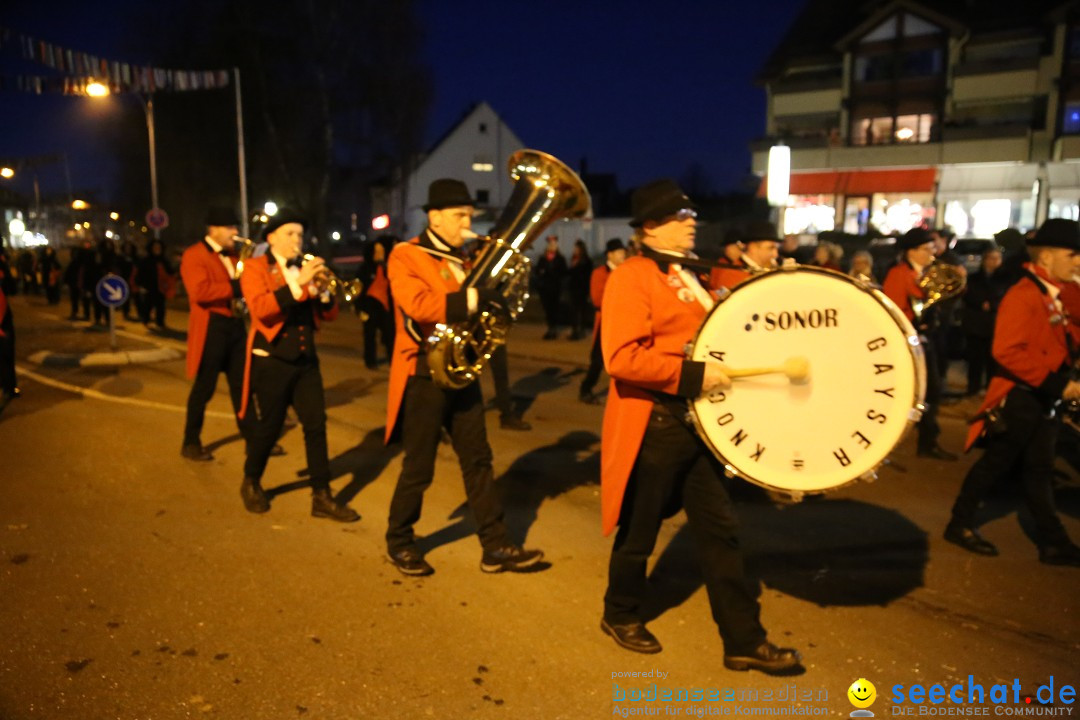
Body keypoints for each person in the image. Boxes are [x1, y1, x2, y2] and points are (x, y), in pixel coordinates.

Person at [599, 178, 800, 673]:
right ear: (650, 228)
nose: (692, 225)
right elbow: (621, 358)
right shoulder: (632, 276)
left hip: (700, 424)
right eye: (680, 219)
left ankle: (743, 640)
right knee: (640, 530)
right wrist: (694, 375)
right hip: (657, 424)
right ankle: (619, 612)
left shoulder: (693, 276)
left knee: (720, 533)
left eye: (691, 217)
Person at [384, 178, 543, 576]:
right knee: (419, 466)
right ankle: (399, 540)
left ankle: (495, 545)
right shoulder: (407, 255)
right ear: (434, 217)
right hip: (424, 371)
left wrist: (498, 300)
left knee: (478, 460)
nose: (466, 223)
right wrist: (473, 298)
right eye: (458, 216)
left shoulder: (468, 260)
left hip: (461, 369)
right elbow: (419, 305)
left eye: (469, 215)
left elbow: (481, 310)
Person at [946, 219, 1080, 566]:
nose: (1078, 261)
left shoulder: (1053, 292)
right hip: (1021, 398)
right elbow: (1006, 351)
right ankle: (959, 524)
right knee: (996, 465)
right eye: (1073, 254)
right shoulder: (1024, 293)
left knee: (1038, 470)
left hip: (1039, 398)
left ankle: (1053, 542)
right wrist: (1059, 385)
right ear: (1047, 257)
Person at [236, 209, 358, 523]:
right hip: (273, 360)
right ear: (272, 238)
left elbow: (327, 316)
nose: (296, 240)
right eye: (290, 234)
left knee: (316, 426)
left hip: (306, 361)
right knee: (270, 427)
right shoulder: (254, 268)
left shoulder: (305, 268)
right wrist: (299, 285)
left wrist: (326, 292)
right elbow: (262, 310)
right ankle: (251, 480)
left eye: (300, 235)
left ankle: (322, 496)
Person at [179, 207, 278, 462]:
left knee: (243, 386)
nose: (235, 233)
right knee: (204, 388)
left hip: (234, 325)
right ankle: (190, 442)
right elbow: (199, 292)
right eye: (231, 228)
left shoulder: (236, 255)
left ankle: (254, 440)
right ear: (214, 229)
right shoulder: (194, 255)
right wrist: (235, 287)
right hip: (211, 327)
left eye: (235, 228)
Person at [882, 227, 957, 461]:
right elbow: (895, 310)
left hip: (926, 338)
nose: (931, 255)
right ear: (910, 252)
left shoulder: (923, 273)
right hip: (911, 341)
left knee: (931, 391)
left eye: (932, 249)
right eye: (926, 250)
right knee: (924, 390)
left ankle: (928, 439)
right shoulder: (899, 274)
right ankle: (922, 439)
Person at [579, 238, 626, 404]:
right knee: (597, 361)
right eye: (619, 252)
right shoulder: (600, 273)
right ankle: (585, 388)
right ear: (610, 255)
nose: (623, 255)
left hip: (623, 322)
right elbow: (597, 299)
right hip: (606, 322)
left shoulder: (626, 272)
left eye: (623, 252)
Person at [960, 245, 1006, 396]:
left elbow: (1006, 297)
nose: (994, 262)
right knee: (975, 360)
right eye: (991, 258)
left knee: (992, 361)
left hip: (994, 324)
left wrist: (992, 304)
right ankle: (972, 389)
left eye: (997, 258)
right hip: (975, 323)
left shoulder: (1005, 279)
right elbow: (967, 295)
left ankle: (990, 389)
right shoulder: (974, 278)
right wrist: (980, 303)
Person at [358, 236, 396, 370]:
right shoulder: (365, 269)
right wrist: (359, 308)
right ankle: (370, 360)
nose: (378, 254)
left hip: (386, 307)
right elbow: (359, 290)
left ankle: (393, 359)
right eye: (376, 251)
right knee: (369, 335)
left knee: (390, 334)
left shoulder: (391, 267)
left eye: (381, 251)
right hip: (370, 306)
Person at [710, 220, 780, 291]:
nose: (775, 254)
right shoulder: (732, 276)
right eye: (770, 248)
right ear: (753, 247)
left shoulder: (765, 271)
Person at [135, 239, 174, 329]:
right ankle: (146, 320)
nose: (157, 249)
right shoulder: (146, 260)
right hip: (149, 287)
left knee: (161, 306)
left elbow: (170, 272)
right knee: (148, 305)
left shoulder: (164, 260)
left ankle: (160, 322)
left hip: (161, 288)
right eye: (155, 248)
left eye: (159, 248)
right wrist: (140, 285)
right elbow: (140, 273)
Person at [534, 234, 567, 340]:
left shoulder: (560, 258)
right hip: (545, 288)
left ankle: (554, 328)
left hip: (555, 287)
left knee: (554, 309)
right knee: (547, 309)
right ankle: (550, 328)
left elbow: (563, 272)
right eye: (550, 244)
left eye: (554, 244)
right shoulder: (543, 258)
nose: (552, 246)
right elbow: (537, 270)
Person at [566, 239, 593, 340]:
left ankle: (581, 330)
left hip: (582, 290)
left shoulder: (586, 261)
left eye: (576, 248)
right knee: (574, 311)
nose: (575, 250)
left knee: (582, 311)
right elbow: (569, 273)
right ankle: (575, 330)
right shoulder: (574, 260)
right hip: (573, 289)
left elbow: (587, 276)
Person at [0, 261, 17, 415]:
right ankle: (8, 387)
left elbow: (12, 289)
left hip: (3, 319)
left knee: (7, 355)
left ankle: (10, 387)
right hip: (3, 320)